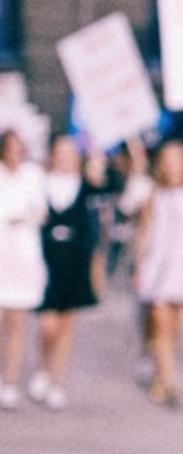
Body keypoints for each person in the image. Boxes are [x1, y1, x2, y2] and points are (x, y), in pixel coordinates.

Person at [125, 140, 183, 408]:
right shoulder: (153, 191)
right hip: (157, 266)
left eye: (178, 158)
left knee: (173, 328)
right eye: (168, 159)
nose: (173, 164)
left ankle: (159, 376)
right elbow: (143, 230)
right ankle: (170, 379)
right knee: (161, 321)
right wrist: (139, 266)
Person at [28, 135, 105, 410]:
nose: (65, 157)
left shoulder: (86, 185)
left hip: (75, 261)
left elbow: (106, 195)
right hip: (47, 260)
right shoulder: (40, 183)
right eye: (60, 152)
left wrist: (98, 165)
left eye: (70, 152)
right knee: (48, 323)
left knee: (66, 326)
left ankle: (57, 380)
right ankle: (42, 366)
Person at [0, 129, 46, 409]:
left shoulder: (32, 175)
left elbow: (40, 211)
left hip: (23, 254)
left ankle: (10, 380)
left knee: (17, 322)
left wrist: (25, 217)